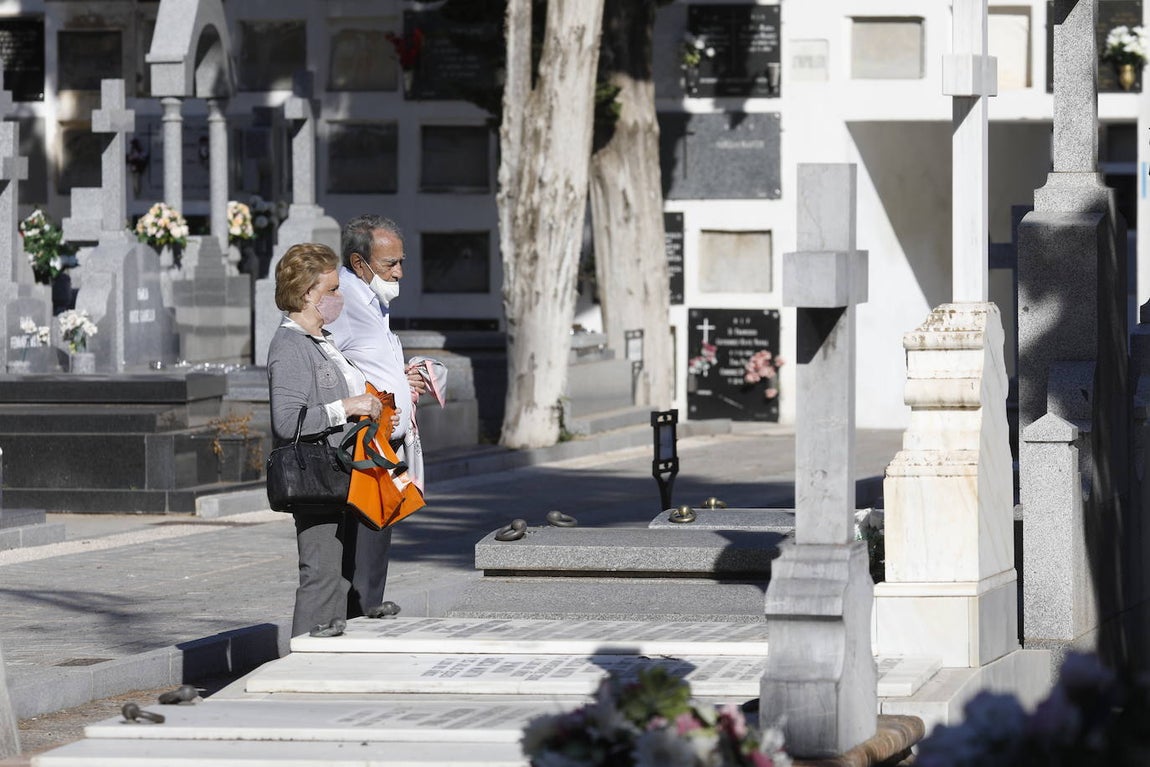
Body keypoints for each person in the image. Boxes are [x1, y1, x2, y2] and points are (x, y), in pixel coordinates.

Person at [267, 242, 398, 637]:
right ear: (308, 293)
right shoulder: (290, 346)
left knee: (338, 579)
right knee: (321, 577)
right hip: (317, 479)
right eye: (333, 289)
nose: (340, 296)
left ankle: (327, 650)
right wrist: (347, 406)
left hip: (344, 474)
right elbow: (287, 421)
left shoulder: (322, 339)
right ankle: (303, 659)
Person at [325, 214, 439, 619]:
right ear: (360, 264)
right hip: (361, 448)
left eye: (401, 261)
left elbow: (365, 361)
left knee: (374, 554)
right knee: (360, 560)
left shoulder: (373, 301)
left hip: (383, 448)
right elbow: (323, 364)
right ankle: (356, 626)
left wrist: (401, 382)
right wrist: (363, 401)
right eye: (390, 263)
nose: (399, 272)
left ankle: (366, 620)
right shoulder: (342, 301)